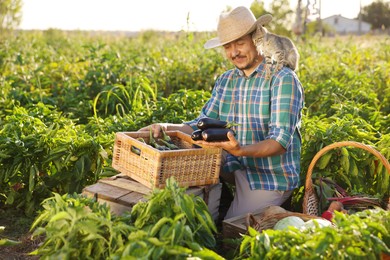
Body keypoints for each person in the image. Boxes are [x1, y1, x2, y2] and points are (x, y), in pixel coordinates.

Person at [138, 6, 304, 220]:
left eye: (240, 43)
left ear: (257, 38)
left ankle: (248, 208)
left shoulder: (282, 79)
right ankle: (222, 198)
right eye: (228, 46)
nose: (234, 52)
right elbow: (201, 123)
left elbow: (279, 143)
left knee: (231, 234)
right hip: (233, 166)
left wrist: (239, 150)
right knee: (193, 192)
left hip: (269, 176)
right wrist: (166, 128)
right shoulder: (227, 80)